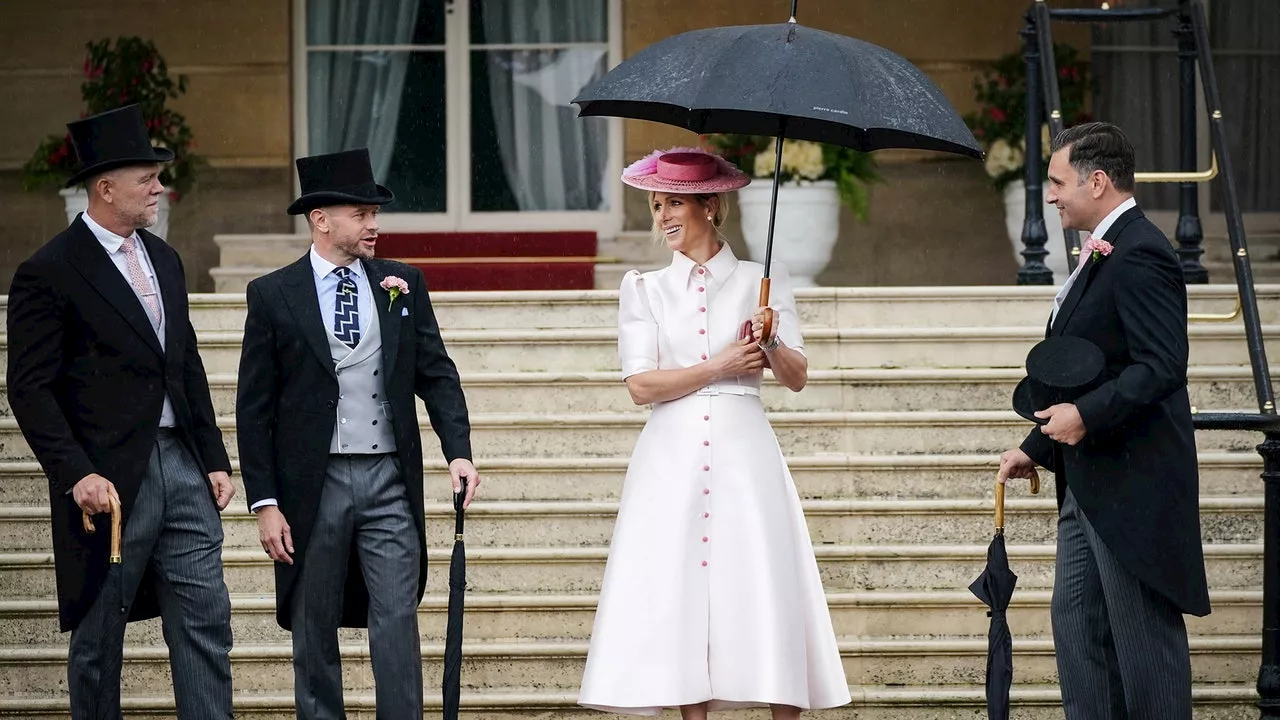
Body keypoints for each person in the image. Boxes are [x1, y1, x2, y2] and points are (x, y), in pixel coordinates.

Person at [578, 147, 850, 719]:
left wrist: (770, 339)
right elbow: (641, 386)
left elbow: (797, 378)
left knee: (762, 579)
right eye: (655, 206)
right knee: (681, 592)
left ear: (710, 206)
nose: (662, 218)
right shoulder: (643, 289)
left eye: (673, 203)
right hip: (670, 455)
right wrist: (718, 366)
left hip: (745, 451)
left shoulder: (761, 282)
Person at [7, 104, 235, 719]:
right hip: (107, 483)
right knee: (99, 644)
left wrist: (212, 456)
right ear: (106, 188)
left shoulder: (164, 259)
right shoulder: (48, 271)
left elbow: (184, 364)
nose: (160, 187)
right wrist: (76, 472)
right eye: (148, 178)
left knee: (207, 627)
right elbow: (29, 388)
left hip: (183, 471)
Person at [235, 147, 480, 719]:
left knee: (396, 618)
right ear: (320, 219)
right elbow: (254, 408)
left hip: (388, 477)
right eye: (361, 214)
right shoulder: (273, 295)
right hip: (312, 485)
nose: (374, 225)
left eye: (375, 213)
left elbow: (437, 373)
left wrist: (458, 452)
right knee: (312, 624)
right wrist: (265, 503)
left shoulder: (403, 284)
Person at [997, 122, 1209, 719]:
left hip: (1133, 486)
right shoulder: (1103, 250)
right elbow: (1089, 370)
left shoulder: (1142, 251)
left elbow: (1163, 365)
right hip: (1088, 484)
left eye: (1058, 182)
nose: (1052, 195)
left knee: (1144, 648)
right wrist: (1036, 446)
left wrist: (1086, 417)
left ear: (1097, 180)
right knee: (1079, 633)